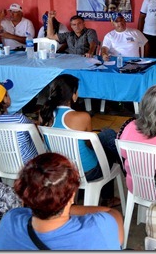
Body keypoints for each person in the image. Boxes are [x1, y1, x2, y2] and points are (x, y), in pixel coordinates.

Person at [0, 153, 123, 250]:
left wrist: (50, 206)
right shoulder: (100, 227)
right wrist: (60, 206)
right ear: (72, 195)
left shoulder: (10, 219)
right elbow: (112, 214)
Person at [39, 74, 120, 206]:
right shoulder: (82, 117)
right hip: (86, 172)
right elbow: (90, 144)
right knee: (107, 146)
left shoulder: (44, 114)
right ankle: (108, 198)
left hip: (59, 169)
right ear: (74, 95)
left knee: (104, 137)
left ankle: (82, 193)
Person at [0, 79, 39, 164]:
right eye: (7, 94)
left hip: (1, 162)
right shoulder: (19, 119)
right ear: (5, 100)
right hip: (26, 164)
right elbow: (34, 128)